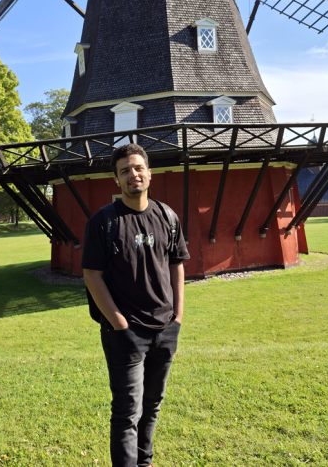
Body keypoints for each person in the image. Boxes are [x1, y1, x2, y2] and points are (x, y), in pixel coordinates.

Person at [82, 144, 190, 467]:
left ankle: (145, 462)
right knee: (128, 411)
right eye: (125, 170)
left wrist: (178, 318)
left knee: (152, 406)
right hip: (125, 334)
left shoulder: (167, 217)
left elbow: (177, 264)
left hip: (165, 329)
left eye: (139, 168)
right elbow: (92, 275)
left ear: (149, 173)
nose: (134, 174)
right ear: (116, 179)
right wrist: (119, 324)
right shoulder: (103, 222)